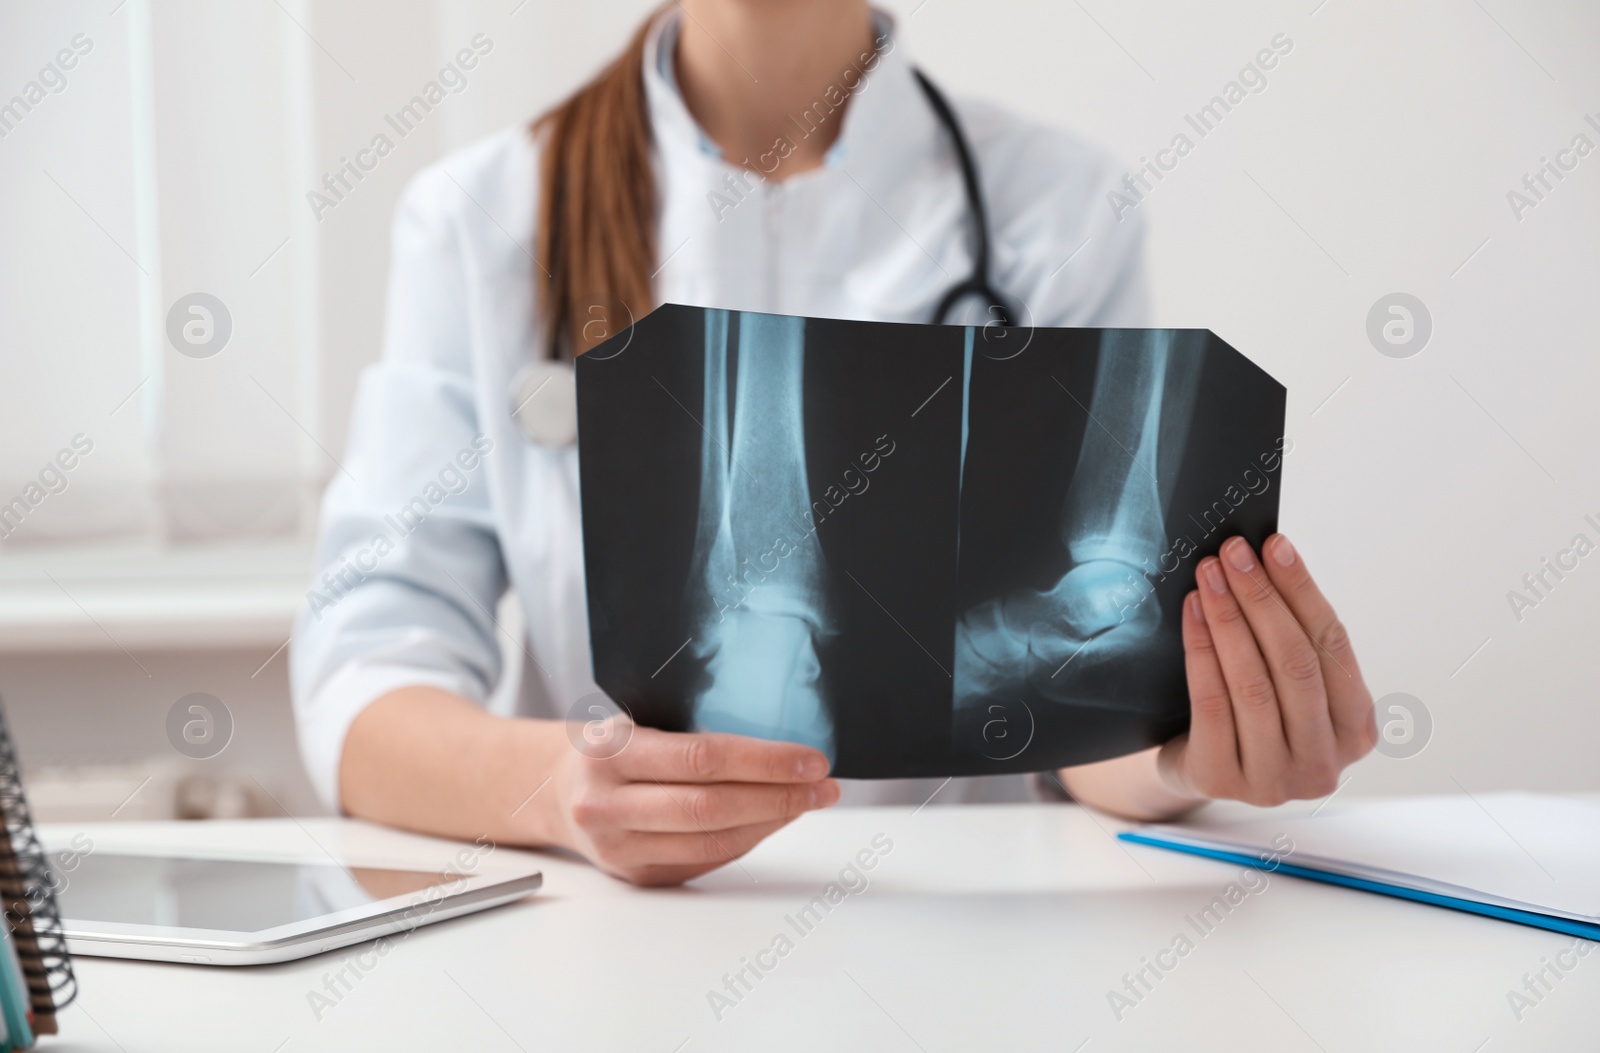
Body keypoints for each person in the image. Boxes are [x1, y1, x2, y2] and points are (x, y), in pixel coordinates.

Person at [291, 0, 1377, 887]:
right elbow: (362, 678)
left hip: (975, 948)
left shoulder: (1056, 205)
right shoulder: (482, 217)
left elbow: (1079, 742)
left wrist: (1190, 750)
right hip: (627, 955)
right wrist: (559, 788)